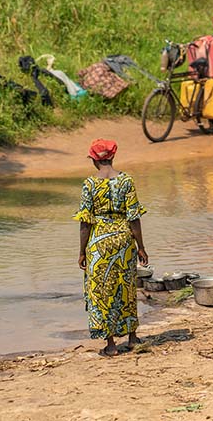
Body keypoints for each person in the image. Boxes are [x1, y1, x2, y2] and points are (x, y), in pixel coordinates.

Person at [74, 139, 149, 357]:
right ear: (112, 156)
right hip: (124, 241)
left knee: (102, 291)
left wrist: (81, 252)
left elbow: (85, 222)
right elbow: (134, 218)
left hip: (99, 243)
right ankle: (133, 338)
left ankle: (111, 344)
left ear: (94, 160)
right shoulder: (126, 180)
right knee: (126, 288)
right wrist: (141, 247)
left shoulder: (89, 184)